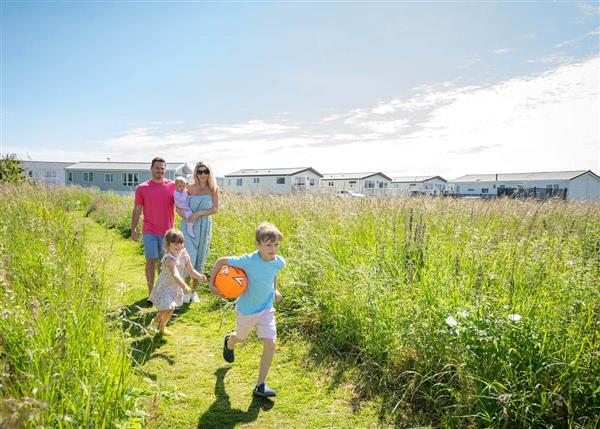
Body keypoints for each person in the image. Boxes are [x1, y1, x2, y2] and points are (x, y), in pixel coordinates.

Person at [208, 222, 286, 398]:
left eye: (276, 245)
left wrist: (275, 290)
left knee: (270, 343)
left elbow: (273, 275)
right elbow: (221, 261)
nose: (273, 249)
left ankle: (260, 385)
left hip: (266, 309)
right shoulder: (249, 260)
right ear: (257, 244)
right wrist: (212, 284)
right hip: (247, 310)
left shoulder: (279, 262)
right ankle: (229, 341)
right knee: (240, 338)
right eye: (268, 245)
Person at [131, 157, 176, 299]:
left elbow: (187, 195)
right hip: (149, 230)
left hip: (167, 232)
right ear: (151, 168)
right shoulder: (142, 188)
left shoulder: (173, 186)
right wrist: (133, 228)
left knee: (164, 262)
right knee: (150, 260)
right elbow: (137, 209)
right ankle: (151, 292)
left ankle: (162, 290)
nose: (160, 171)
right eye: (157, 168)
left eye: (162, 168)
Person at [148, 229, 206, 336]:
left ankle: (162, 327)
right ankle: (155, 322)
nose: (178, 246)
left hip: (174, 287)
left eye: (180, 243)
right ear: (168, 244)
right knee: (166, 307)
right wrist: (184, 286)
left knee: (170, 310)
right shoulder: (169, 259)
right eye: (175, 243)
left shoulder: (184, 253)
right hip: (165, 286)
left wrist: (199, 276)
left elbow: (190, 270)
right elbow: (175, 275)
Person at [178, 161, 219, 304]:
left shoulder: (213, 188)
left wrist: (198, 214)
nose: (203, 174)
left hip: (204, 226)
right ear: (196, 173)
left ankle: (195, 292)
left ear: (209, 173)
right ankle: (185, 291)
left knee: (200, 257)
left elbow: (215, 209)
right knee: (189, 256)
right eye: (200, 171)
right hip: (189, 225)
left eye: (205, 171)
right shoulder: (188, 188)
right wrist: (186, 216)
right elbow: (178, 205)